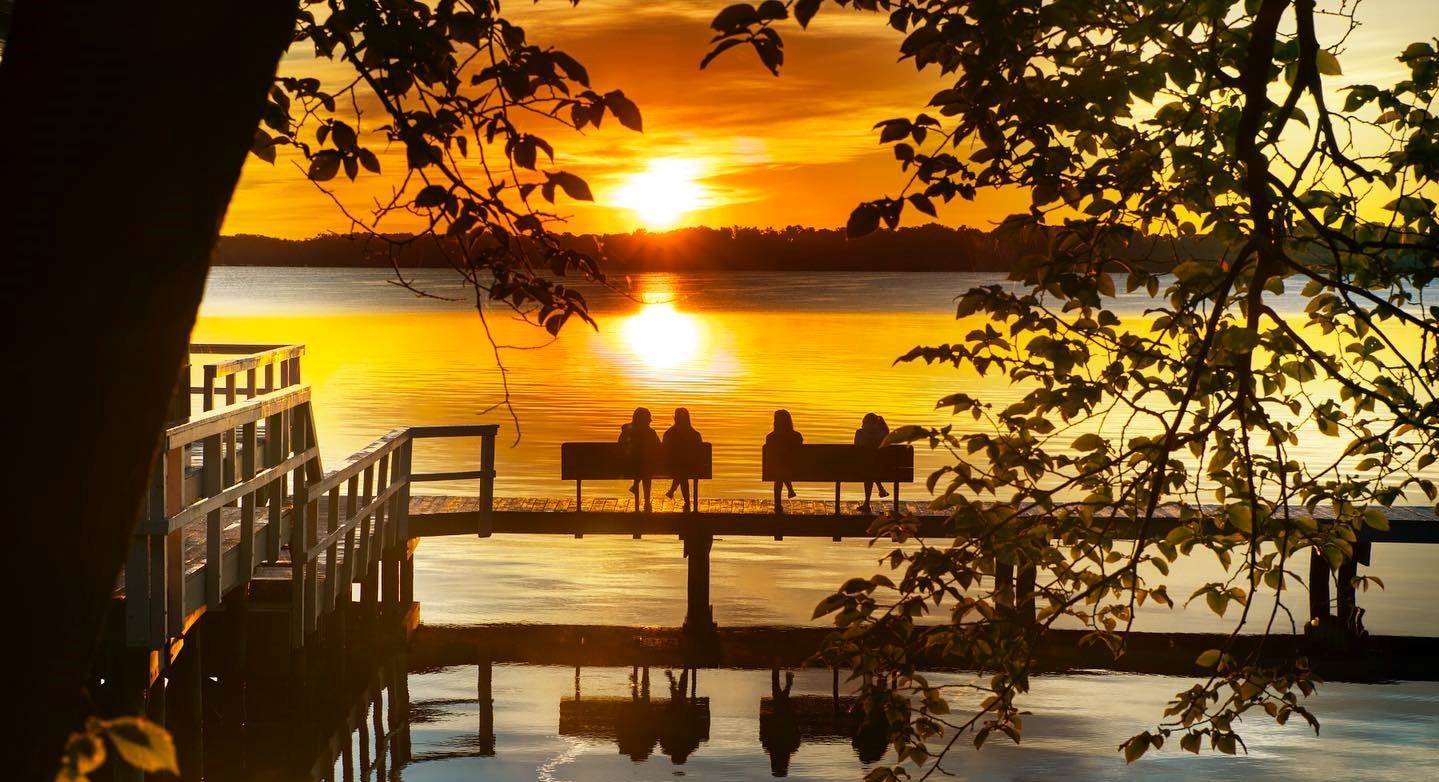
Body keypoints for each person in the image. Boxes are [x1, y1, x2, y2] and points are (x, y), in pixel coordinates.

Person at [618, 407, 661, 512]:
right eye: (648, 420)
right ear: (644, 420)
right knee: (646, 469)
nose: (649, 422)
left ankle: (635, 485)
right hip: (645, 468)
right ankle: (647, 502)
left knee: (644, 466)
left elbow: (619, 446)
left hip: (626, 467)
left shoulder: (626, 431)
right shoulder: (650, 433)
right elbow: (660, 448)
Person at [663, 407, 703, 512]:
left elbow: (663, 454)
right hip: (692, 468)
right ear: (688, 419)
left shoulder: (668, 434)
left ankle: (673, 491)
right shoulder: (695, 435)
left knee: (681, 470)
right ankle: (684, 500)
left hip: (670, 468)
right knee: (682, 470)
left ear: (675, 418)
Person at [765, 409, 802, 513]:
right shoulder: (797, 436)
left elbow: (772, 460)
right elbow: (799, 456)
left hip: (775, 471)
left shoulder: (770, 438)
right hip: (796, 470)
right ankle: (790, 489)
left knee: (779, 473)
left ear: (775, 422)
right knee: (782, 469)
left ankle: (778, 505)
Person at [854, 412, 891, 513]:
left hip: (861, 469)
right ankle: (880, 489)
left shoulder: (859, 433)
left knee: (869, 467)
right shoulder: (884, 433)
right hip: (885, 470)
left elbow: (855, 451)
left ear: (864, 422)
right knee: (872, 466)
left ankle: (868, 502)